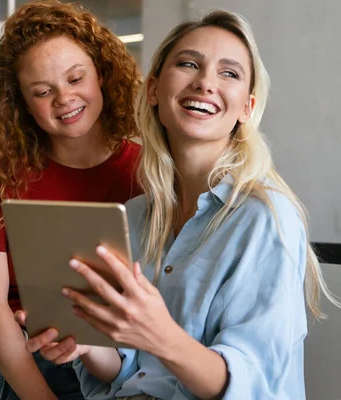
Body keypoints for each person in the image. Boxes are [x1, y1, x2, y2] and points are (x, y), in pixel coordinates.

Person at [19, 9, 340, 400]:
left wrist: (161, 334)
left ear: (247, 109)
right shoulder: (135, 216)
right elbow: (128, 371)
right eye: (189, 64)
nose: (205, 82)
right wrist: (90, 341)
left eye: (229, 73)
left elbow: (253, 387)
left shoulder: (266, 219)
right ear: (153, 90)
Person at [0, 1, 142, 399]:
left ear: (101, 73)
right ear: (22, 104)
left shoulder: (147, 174)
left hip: (101, 362)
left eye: (76, 78)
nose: (64, 98)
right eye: (43, 91)